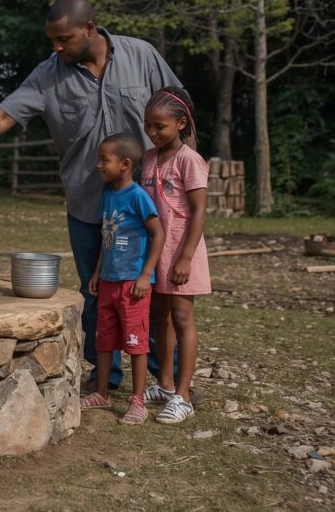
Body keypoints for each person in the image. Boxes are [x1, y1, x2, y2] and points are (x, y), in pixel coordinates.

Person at [0, 0, 195, 399]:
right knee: (96, 292)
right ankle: (106, 378)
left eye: (63, 39)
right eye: (52, 40)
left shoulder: (142, 55)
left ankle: (167, 381)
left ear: (89, 29)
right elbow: (3, 114)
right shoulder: (48, 75)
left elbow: (180, 109)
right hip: (90, 206)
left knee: (154, 296)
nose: (57, 47)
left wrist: (189, 182)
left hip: (149, 205)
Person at [79, 133, 164, 425]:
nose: (99, 165)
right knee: (104, 340)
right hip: (108, 282)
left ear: (125, 164)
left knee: (136, 342)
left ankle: (138, 401)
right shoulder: (108, 195)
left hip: (133, 286)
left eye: (105, 160)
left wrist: (145, 274)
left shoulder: (139, 196)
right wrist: (97, 273)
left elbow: (158, 233)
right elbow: (107, 238)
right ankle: (102, 392)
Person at [139, 87, 211, 423]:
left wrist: (185, 257)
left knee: (182, 318)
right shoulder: (150, 158)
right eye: (147, 126)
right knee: (160, 318)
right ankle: (165, 384)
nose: (152, 132)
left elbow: (198, 211)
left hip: (183, 251)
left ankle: (183, 395)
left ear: (181, 124)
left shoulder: (190, 160)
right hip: (157, 253)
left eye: (159, 126)